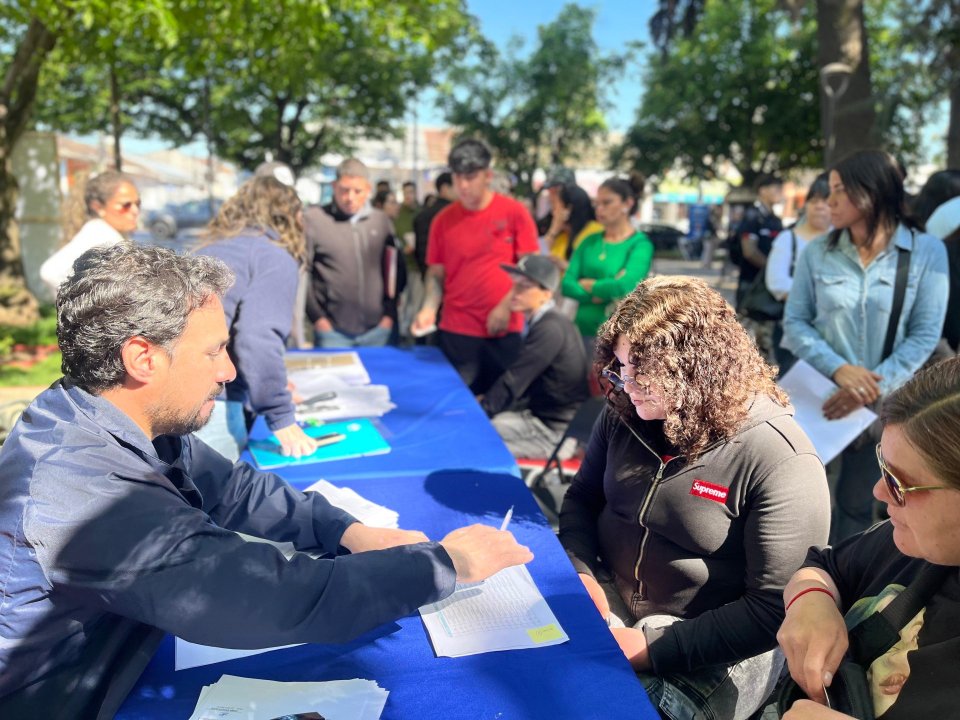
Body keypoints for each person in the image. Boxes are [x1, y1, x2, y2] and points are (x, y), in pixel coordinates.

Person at [0, 244, 533, 718]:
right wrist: (446, 565)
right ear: (142, 358)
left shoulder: (114, 416)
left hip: (124, 659)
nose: (229, 371)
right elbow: (272, 597)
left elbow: (234, 489)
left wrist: (346, 531)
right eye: (213, 350)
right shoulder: (81, 494)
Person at [559, 275, 830, 720]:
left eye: (643, 373)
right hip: (611, 602)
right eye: (621, 367)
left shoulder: (780, 456)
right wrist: (582, 574)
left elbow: (772, 608)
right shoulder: (623, 413)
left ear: (697, 370)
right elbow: (581, 500)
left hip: (716, 643)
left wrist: (648, 647)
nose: (627, 384)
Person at [776, 356, 960, 720]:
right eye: (883, 465)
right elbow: (825, 565)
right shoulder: (911, 542)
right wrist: (810, 600)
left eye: (898, 483)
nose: (878, 491)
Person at [783, 150, 949, 543]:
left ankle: (846, 574)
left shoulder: (926, 251)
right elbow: (795, 322)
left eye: (839, 190)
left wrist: (868, 388)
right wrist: (840, 371)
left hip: (881, 406)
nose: (829, 200)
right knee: (798, 495)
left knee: (859, 503)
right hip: (817, 397)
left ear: (871, 192)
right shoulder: (817, 252)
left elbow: (924, 334)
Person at [193, 176, 317, 461]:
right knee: (218, 486)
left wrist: (271, 384)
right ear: (290, 217)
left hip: (172, 396)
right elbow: (257, 338)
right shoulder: (272, 255)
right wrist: (280, 414)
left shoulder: (208, 248)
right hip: (212, 402)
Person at [411, 139, 539, 394]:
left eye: (470, 177)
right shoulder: (442, 220)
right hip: (457, 330)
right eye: (457, 177)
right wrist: (428, 308)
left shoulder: (514, 213)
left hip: (505, 330)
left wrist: (505, 306)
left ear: (487, 176)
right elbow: (436, 274)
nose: (463, 185)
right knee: (456, 404)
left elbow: (532, 268)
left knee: (501, 404)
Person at [480, 254, 589, 459]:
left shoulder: (550, 328)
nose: (515, 292)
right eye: (515, 284)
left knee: (480, 444)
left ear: (546, 294)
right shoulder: (546, 322)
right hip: (539, 419)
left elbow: (515, 380)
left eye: (524, 286)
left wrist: (479, 413)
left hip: (555, 434)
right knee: (487, 429)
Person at [304, 158, 403, 348]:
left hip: (378, 329)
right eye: (344, 190)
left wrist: (389, 314)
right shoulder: (314, 220)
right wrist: (317, 318)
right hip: (332, 332)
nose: (350, 198)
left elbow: (395, 270)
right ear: (334, 186)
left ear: (368, 189)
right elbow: (302, 274)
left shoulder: (381, 221)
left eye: (357, 191)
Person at [560, 175, 654, 359]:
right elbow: (567, 284)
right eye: (597, 204)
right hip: (580, 333)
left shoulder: (639, 244)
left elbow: (626, 286)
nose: (599, 209)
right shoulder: (589, 242)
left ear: (627, 203)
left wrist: (590, 284)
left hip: (618, 340)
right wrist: (602, 291)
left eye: (607, 202)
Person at [764, 173, 832, 371]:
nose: (819, 206)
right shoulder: (788, 238)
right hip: (794, 331)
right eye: (814, 201)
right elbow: (777, 282)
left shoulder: (845, 241)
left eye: (826, 201)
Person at [40, 170, 141, 296]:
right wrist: (84, 303)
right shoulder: (99, 233)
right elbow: (50, 272)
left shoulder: (108, 233)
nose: (135, 211)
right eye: (126, 205)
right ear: (98, 207)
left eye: (137, 204)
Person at [734, 174, 784, 309]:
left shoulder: (776, 220)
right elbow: (749, 252)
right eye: (776, 188)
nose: (780, 192)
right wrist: (772, 268)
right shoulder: (752, 216)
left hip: (771, 285)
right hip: (751, 283)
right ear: (763, 190)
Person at [541, 183, 602, 271]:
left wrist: (564, 265)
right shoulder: (561, 235)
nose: (552, 212)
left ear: (568, 209)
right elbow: (538, 257)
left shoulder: (595, 232)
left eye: (555, 206)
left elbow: (595, 271)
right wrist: (553, 230)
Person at [413, 172, 455, 278]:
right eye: (456, 186)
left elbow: (420, 251)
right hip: (452, 275)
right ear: (445, 188)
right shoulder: (453, 214)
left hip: (430, 275)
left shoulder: (422, 216)